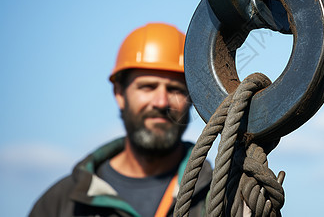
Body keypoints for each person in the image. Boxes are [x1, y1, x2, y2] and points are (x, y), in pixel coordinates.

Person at [29, 23, 212, 217]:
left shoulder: (222, 194)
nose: (161, 102)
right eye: (148, 87)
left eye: (175, 89)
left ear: (192, 98)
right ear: (119, 94)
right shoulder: (60, 204)